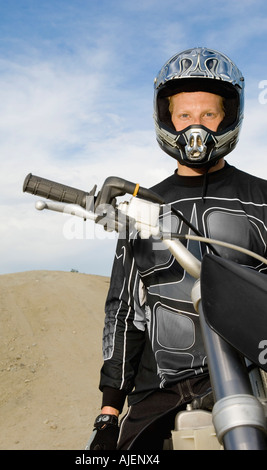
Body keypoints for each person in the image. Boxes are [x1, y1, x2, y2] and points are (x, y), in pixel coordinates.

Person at [87, 47, 267, 450]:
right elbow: (121, 311)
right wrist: (108, 412)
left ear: (229, 117)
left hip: (244, 384)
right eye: (184, 115)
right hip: (157, 396)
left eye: (208, 114)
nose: (195, 127)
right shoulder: (145, 208)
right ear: (168, 119)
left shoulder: (261, 199)